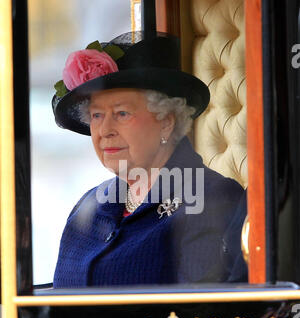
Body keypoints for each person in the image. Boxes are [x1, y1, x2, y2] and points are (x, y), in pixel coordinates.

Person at [51, 32, 247, 288]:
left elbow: (198, 315)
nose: (105, 130)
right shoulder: (88, 205)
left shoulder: (211, 196)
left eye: (121, 113)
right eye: (97, 115)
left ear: (166, 121)